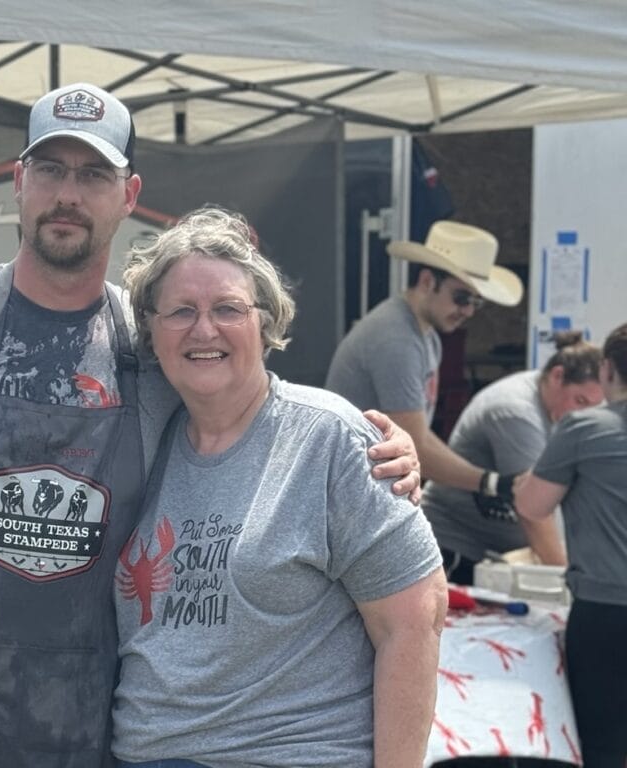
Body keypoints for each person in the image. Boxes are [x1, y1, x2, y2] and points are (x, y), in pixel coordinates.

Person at [0, 83, 420, 768]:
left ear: (128, 193)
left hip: (79, 720)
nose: (69, 194)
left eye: (94, 174)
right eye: (51, 170)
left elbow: (253, 404)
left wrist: (380, 448)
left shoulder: (155, 349)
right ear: (20, 181)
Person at [113, 207, 447, 768]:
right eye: (180, 311)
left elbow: (417, 618)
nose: (204, 329)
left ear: (266, 323)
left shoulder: (331, 440)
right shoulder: (143, 434)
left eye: (227, 308)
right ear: (149, 329)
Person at [326, 220, 525, 511]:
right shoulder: (397, 339)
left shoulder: (425, 333)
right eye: (461, 297)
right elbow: (415, 446)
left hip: (373, 492)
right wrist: (491, 483)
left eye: (476, 302)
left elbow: (417, 434)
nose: (468, 311)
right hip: (354, 499)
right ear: (428, 281)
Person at [514, 321, 627, 768]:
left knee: (602, 749)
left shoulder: (585, 428)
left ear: (606, 371)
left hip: (607, 613)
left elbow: (531, 505)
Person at [422, 330, 604, 583]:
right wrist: (569, 581)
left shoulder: (556, 404)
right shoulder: (515, 412)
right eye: (580, 401)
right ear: (557, 375)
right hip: (454, 552)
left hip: (500, 555)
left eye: (592, 407)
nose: (583, 414)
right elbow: (533, 509)